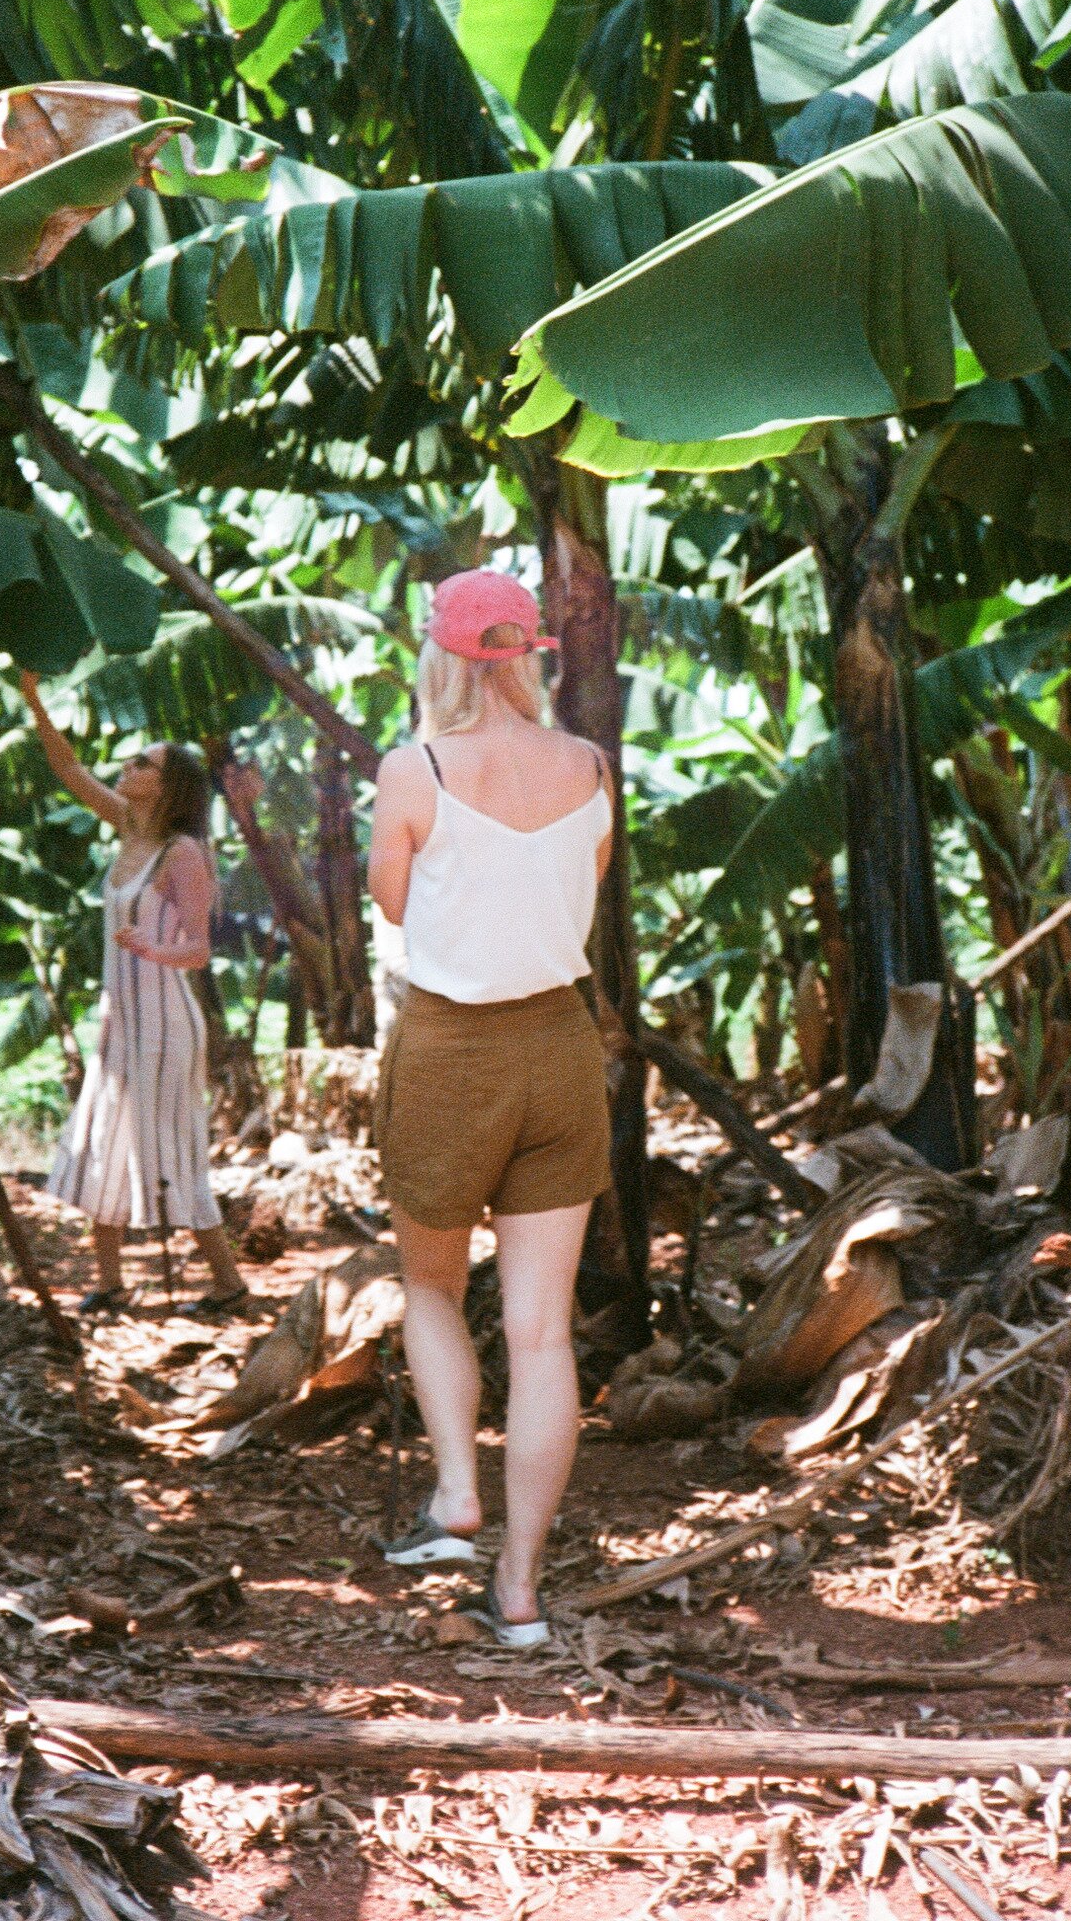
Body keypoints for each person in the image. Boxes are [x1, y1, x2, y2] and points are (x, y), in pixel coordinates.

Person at [367, 568, 616, 1649]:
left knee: (429, 1281)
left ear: (442, 655)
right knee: (541, 1331)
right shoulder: (589, 763)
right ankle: (517, 1591)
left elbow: (390, 899)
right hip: (561, 1047)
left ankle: (456, 1494)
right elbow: (583, 889)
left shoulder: (412, 767)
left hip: (449, 1047)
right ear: (528, 655)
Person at [18, 669, 249, 1317]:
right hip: (119, 1024)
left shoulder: (182, 854)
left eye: (141, 762)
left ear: (167, 784)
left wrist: (153, 949)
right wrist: (35, 699)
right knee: (102, 1142)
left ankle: (227, 1285)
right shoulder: (127, 827)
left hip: (165, 1024)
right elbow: (67, 770)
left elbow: (200, 949)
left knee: (173, 1147)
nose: (126, 765)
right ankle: (111, 1281)